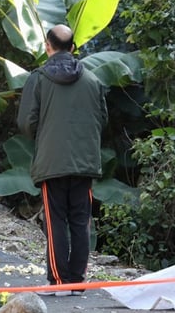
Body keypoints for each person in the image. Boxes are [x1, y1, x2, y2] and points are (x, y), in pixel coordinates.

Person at [17, 24, 108, 294]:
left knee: (55, 220)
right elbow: (102, 120)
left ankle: (58, 281)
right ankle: (77, 280)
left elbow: (26, 122)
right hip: (85, 161)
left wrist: (45, 136)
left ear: (48, 46)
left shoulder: (39, 78)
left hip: (52, 162)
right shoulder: (93, 80)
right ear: (73, 48)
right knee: (80, 220)